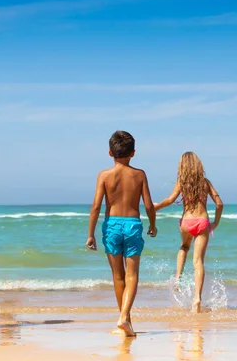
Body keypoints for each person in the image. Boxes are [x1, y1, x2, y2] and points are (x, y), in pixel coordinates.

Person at [86, 131, 157, 337]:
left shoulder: (104, 175)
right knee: (132, 274)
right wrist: (153, 224)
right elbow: (149, 205)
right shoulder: (139, 174)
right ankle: (125, 318)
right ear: (133, 153)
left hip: (112, 225)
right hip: (133, 224)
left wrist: (90, 233)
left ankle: (125, 319)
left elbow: (96, 207)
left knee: (118, 277)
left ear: (110, 152)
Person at [154, 152, 223, 313]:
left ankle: (178, 277)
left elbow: (170, 200)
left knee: (184, 247)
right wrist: (216, 222)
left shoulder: (182, 183)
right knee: (198, 262)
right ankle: (197, 299)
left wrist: (156, 207)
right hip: (202, 222)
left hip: (186, 222)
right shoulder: (205, 183)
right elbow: (219, 203)